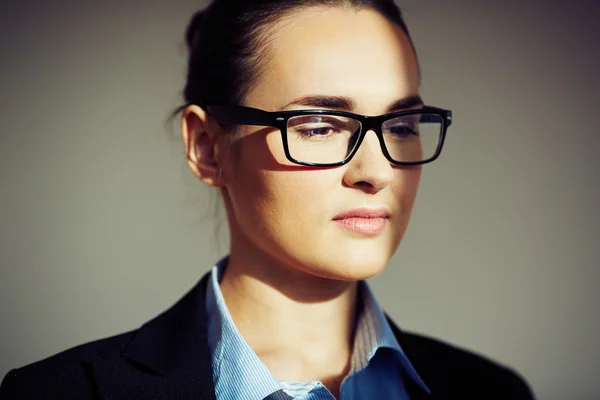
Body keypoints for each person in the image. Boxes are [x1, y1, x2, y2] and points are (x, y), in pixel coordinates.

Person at [0, 0, 535, 399]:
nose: (377, 171)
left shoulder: (491, 391)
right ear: (208, 148)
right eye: (321, 125)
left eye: (400, 125)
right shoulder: (62, 393)